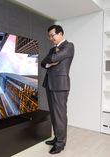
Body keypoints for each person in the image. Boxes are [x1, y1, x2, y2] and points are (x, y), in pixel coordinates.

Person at [41, 25, 74, 154]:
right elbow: (43, 63)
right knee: (54, 114)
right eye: (49, 36)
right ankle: (57, 138)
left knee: (60, 115)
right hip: (49, 84)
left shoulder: (69, 46)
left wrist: (52, 60)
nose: (51, 38)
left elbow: (53, 58)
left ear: (60, 33)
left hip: (60, 85)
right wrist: (51, 62)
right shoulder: (52, 49)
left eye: (52, 35)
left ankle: (60, 144)